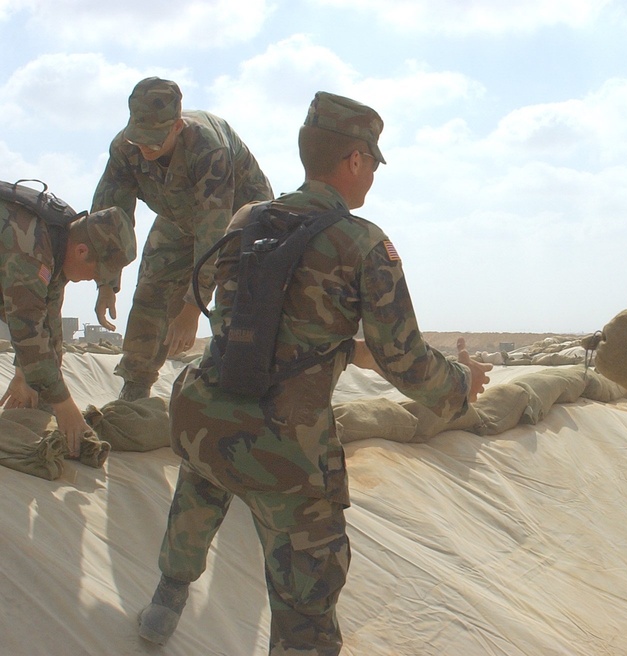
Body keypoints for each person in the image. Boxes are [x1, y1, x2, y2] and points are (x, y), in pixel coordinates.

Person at [137, 91, 492, 655]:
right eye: (372, 163)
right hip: (285, 448)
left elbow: (265, 331)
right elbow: (405, 360)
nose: (372, 176)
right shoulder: (363, 243)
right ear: (354, 161)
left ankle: (165, 602)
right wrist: (459, 385)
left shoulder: (250, 219)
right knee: (307, 600)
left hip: (206, 415)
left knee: (200, 492)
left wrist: (350, 352)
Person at [91, 76, 273, 401]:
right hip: (179, 217)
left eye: (155, 140)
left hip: (242, 219)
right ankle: (135, 386)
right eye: (139, 138)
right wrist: (106, 282)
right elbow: (109, 217)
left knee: (241, 299)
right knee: (151, 288)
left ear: (177, 127)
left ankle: (248, 390)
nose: (145, 147)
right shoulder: (126, 148)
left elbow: (214, 232)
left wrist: (191, 308)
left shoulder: (208, 149)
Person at [1, 195, 136, 457]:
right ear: (82, 251)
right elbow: (27, 328)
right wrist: (64, 407)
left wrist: (23, 375)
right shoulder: (30, 248)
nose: (89, 281)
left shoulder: (62, 236)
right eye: (95, 274)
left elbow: (48, 321)